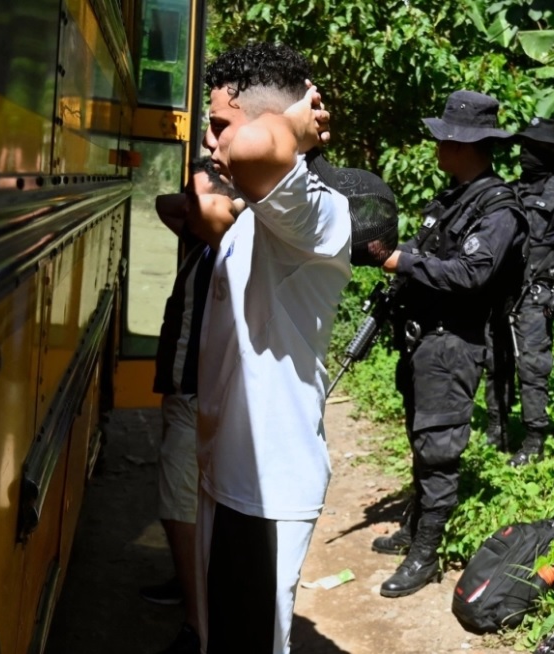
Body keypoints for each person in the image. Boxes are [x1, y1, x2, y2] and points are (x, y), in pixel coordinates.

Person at [191, 42, 352, 653]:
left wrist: (293, 118)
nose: (212, 142)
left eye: (218, 125)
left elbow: (259, 145)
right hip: (231, 474)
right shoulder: (262, 211)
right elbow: (204, 188)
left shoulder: (316, 216)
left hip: (262, 488)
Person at [372, 90, 527, 597]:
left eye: (446, 139)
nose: (438, 145)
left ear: (469, 145)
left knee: (439, 449)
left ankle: (425, 556)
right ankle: (416, 529)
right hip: (425, 341)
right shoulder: (451, 199)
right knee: (422, 442)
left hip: (455, 343)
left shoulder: (499, 208)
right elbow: (426, 249)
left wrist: (403, 262)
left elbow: (470, 274)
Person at [140, 157, 234, 654]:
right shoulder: (203, 244)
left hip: (200, 398)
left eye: (199, 197)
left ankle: (198, 630)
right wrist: (208, 192)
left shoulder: (233, 251)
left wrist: (226, 197)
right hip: (183, 393)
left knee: (180, 506)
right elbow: (163, 205)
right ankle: (191, 591)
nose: (188, 207)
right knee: (185, 505)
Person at [482, 117, 554, 466]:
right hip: (498, 293)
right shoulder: (513, 189)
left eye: (532, 149)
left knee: (532, 367)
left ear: (548, 153)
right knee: (494, 363)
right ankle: (495, 430)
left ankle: (534, 440)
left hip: (534, 295)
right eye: (523, 148)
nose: (523, 155)